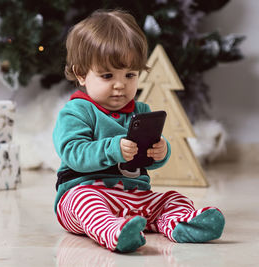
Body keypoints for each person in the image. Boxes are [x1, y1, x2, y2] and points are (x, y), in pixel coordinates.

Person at [52, 9, 225, 253]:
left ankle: (178, 223)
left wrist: (160, 151)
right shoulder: (77, 111)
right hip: (85, 193)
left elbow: (146, 160)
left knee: (172, 198)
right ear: (81, 74)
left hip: (133, 195)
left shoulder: (139, 110)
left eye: (130, 75)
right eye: (107, 75)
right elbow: (73, 152)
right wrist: (113, 149)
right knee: (86, 202)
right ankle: (114, 231)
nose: (120, 85)